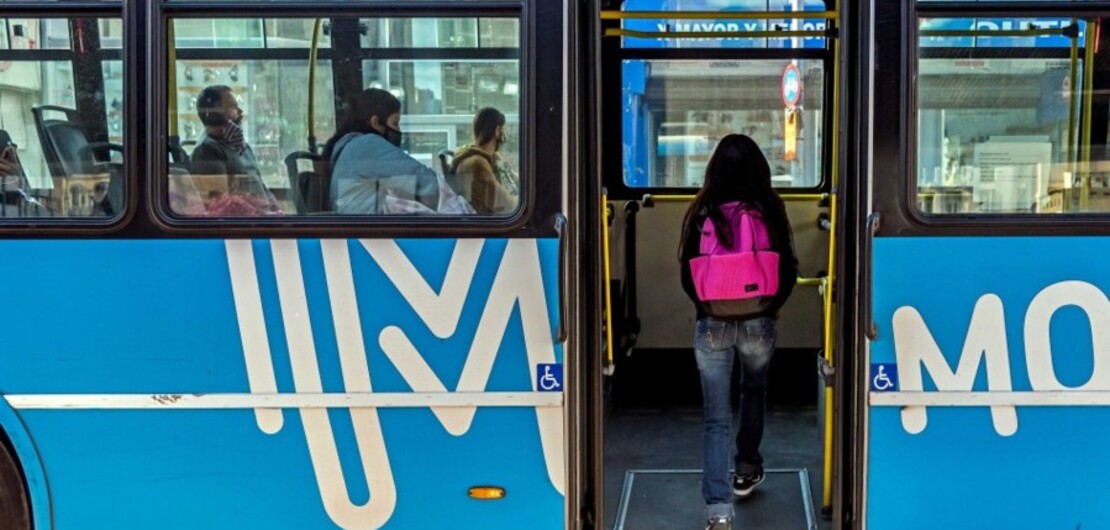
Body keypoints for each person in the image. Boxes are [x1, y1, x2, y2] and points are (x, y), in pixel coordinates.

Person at [677, 134, 798, 530]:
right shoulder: (768, 208)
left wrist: (706, 306)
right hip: (760, 317)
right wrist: (772, 305)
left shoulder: (702, 210)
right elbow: (788, 266)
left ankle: (718, 510)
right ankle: (747, 468)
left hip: (711, 321)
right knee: (753, 391)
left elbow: (687, 272)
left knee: (715, 417)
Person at [323, 88, 438, 214]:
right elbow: (426, 181)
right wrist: (455, 184)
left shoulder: (350, 146)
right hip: (369, 230)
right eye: (395, 123)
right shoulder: (366, 145)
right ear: (376, 122)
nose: (398, 130)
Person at [189, 86, 280, 215]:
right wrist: (263, 216)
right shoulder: (207, 151)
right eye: (232, 107)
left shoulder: (241, 146)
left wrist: (278, 212)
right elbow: (221, 203)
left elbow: (261, 187)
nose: (240, 112)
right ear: (213, 114)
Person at [450, 107, 518, 214]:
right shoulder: (476, 165)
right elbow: (507, 206)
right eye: (504, 130)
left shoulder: (493, 159)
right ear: (497, 131)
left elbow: (516, 180)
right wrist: (526, 198)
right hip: (495, 227)